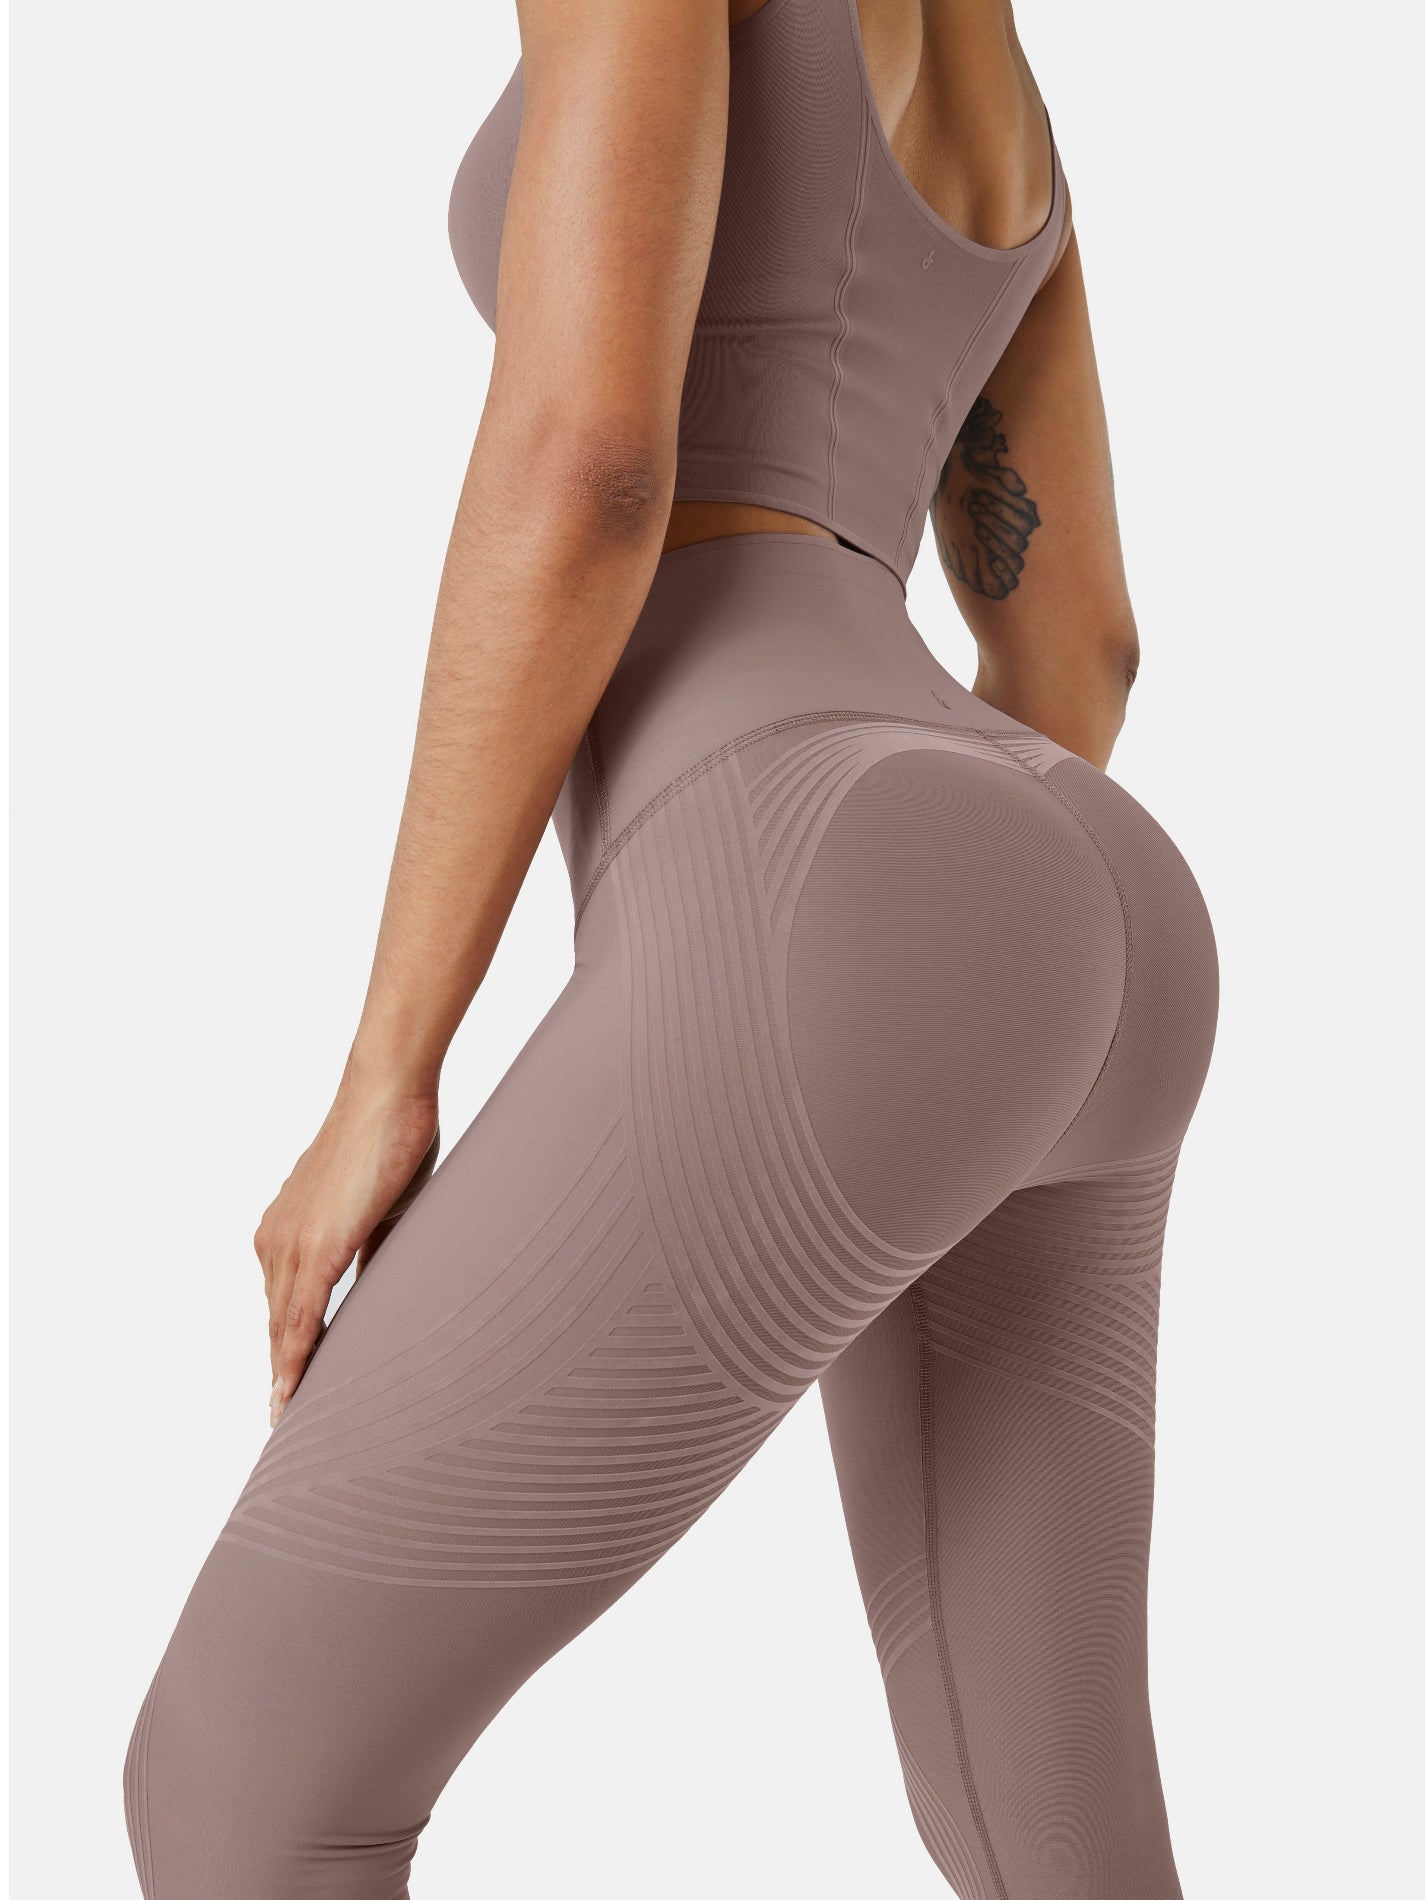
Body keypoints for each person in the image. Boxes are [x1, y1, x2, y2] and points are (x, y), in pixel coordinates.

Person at [122, 0, 1218, 1892]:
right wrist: (970, 979)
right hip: (1099, 891)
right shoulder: (998, 64)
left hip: (832, 869)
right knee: (1050, 1832)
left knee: (240, 1798)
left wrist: (388, 1075)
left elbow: (587, 466)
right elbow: (1080, 643)